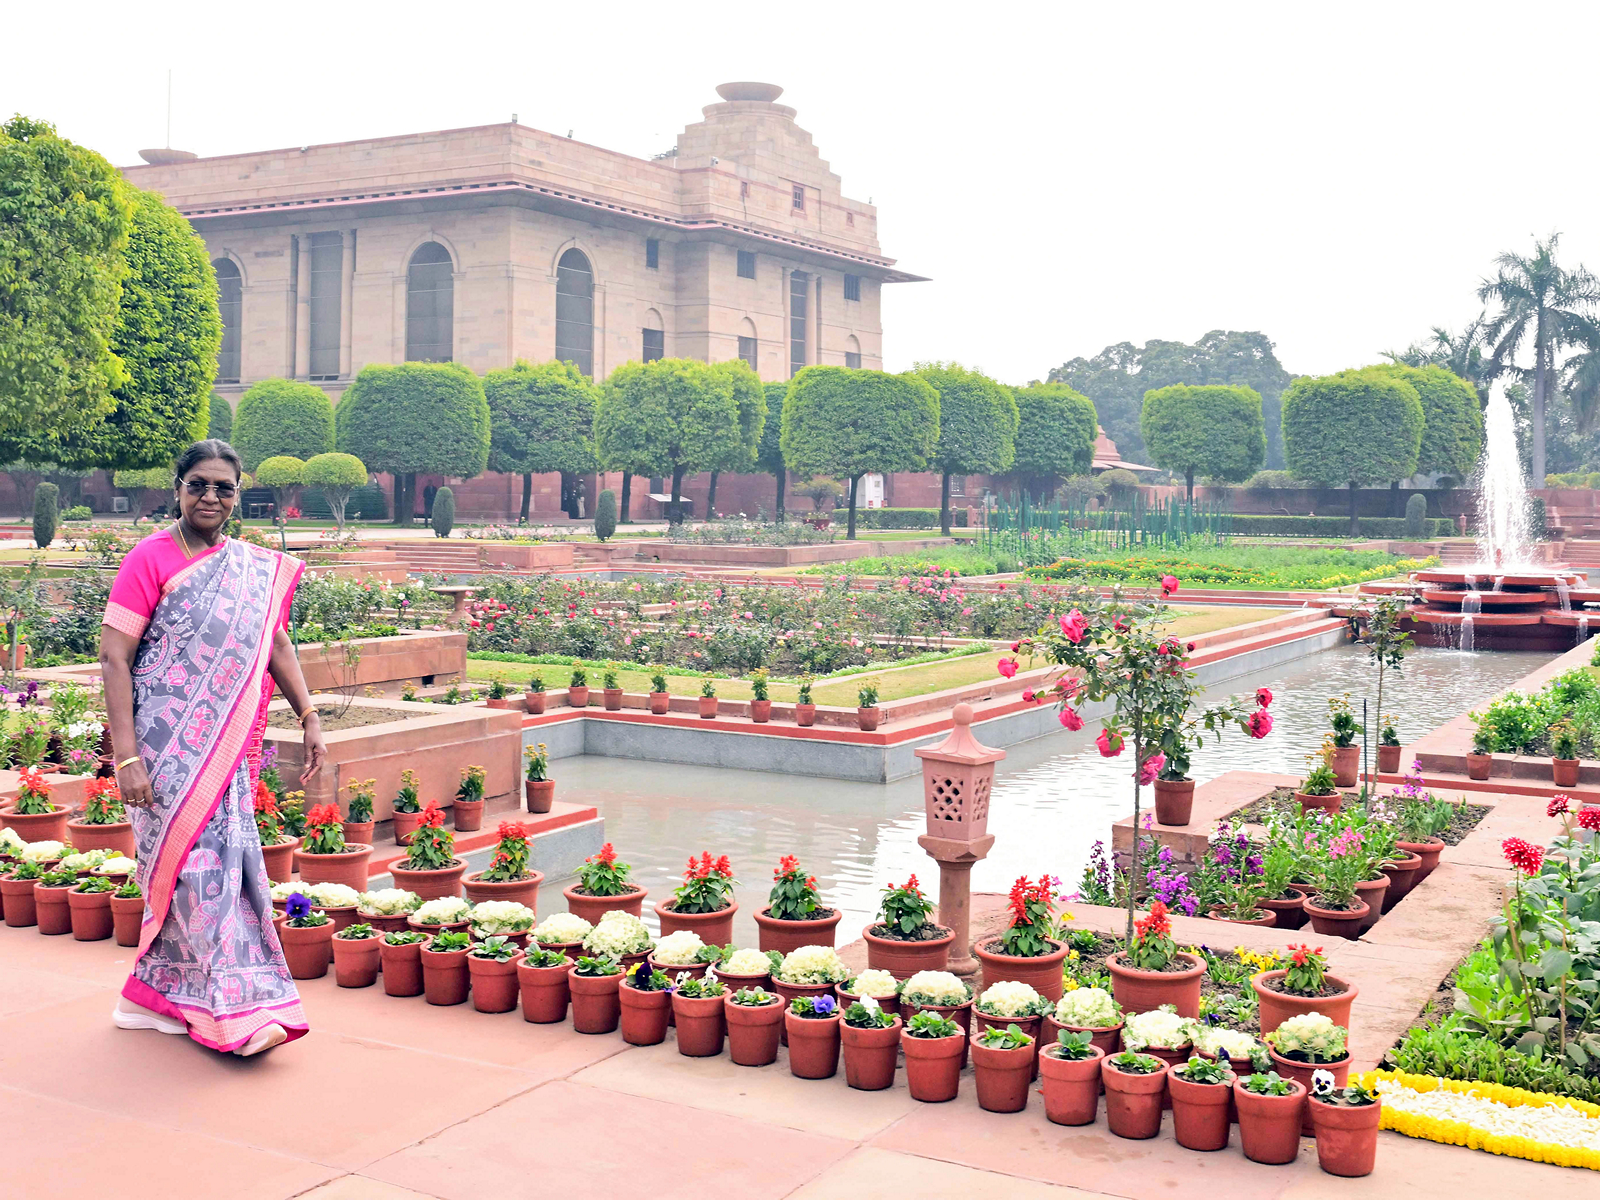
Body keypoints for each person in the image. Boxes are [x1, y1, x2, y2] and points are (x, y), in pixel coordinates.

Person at [98, 439, 328, 1057]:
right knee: (192, 876)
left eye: (223, 488)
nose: (210, 497)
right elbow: (114, 657)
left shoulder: (249, 567)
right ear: (178, 487)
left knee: (224, 872)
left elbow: (275, 645)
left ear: (237, 494)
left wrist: (309, 715)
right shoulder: (150, 558)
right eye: (198, 484)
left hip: (221, 750)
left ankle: (151, 1000)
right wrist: (127, 758)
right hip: (162, 747)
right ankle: (230, 1014)